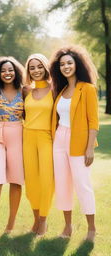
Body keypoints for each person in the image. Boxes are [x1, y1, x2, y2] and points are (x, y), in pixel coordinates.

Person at [50, 45, 99, 242]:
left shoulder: (87, 89)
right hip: (59, 139)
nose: (66, 66)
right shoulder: (60, 90)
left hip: (79, 141)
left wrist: (89, 148)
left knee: (83, 184)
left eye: (69, 63)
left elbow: (93, 121)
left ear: (77, 64)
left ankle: (92, 228)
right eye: (62, 64)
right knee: (62, 184)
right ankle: (68, 227)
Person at [0, 57, 24, 238]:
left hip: (17, 133)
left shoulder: (24, 91)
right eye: (3, 70)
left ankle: (10, 224)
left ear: (16, 72)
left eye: (10, 70)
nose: (7, 73)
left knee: (16, 180)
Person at [23, 54, 54, 236]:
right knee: (32, 182)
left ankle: (43, 219)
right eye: (32, 68)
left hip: (46, 139)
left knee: (47, 180)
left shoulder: (55, 89)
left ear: (45, 67)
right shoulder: (26, 90)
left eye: (39, 66)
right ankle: (36, 218)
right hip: (27, 138)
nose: (36, 70)